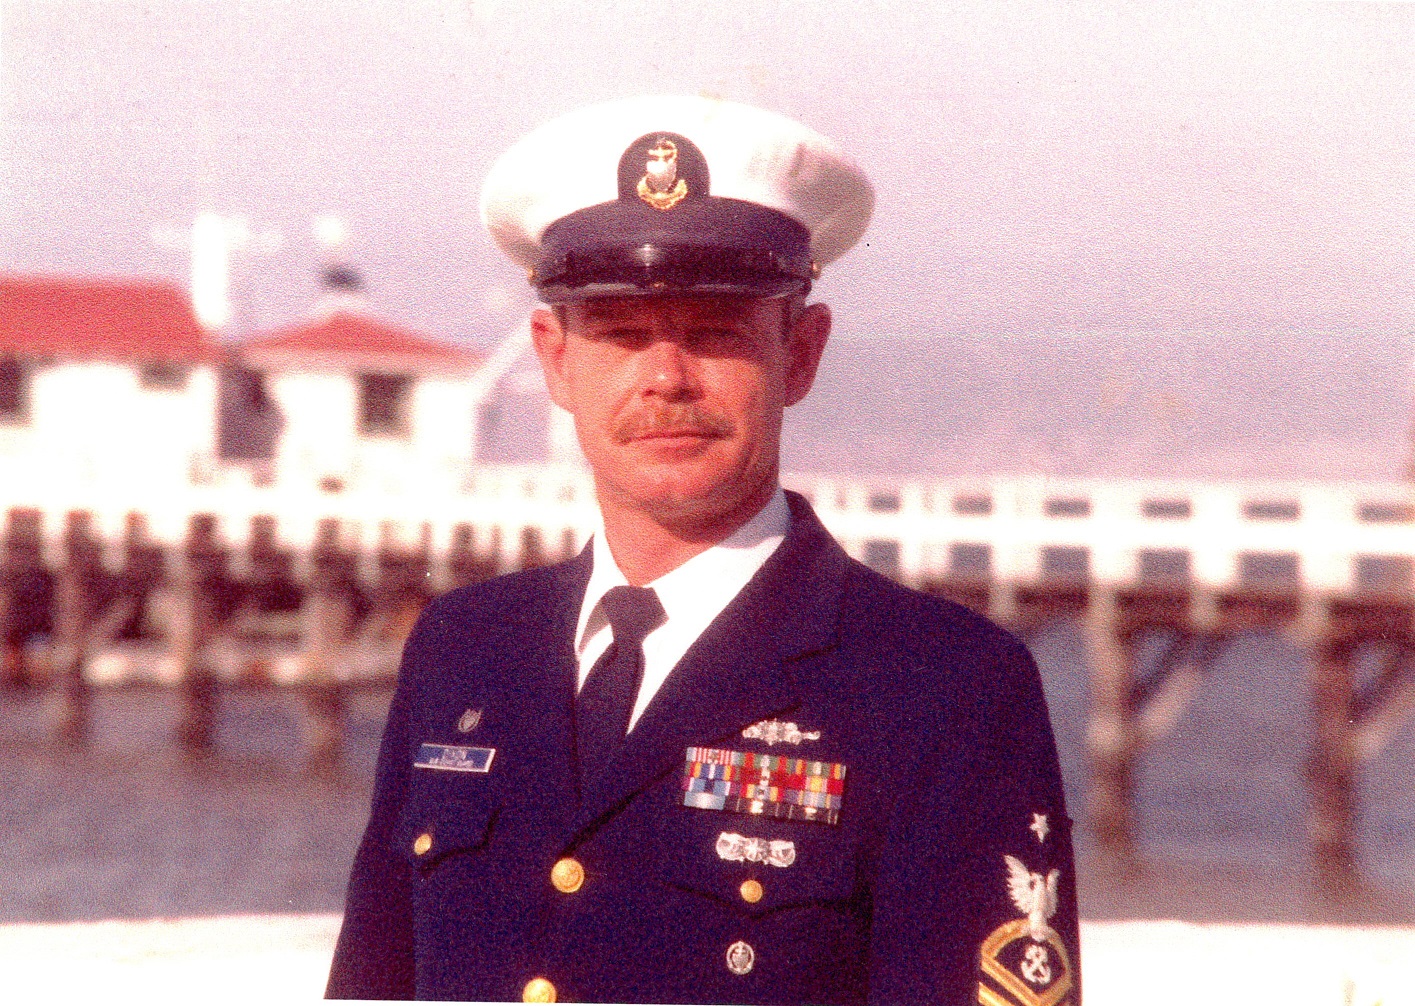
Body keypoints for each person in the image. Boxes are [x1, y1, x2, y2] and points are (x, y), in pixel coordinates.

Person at [327, 94, 1078, 1005]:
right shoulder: (463, 649)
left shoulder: (943, 686)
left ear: (800, 354)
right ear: (554, 360)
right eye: (619, 334)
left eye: (717, 333)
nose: (665, 378)